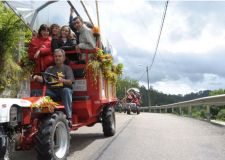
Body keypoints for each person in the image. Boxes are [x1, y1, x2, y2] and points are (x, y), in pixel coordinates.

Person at [33, 49, 75, 126]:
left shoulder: (67, 68)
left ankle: (69, 117)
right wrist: (36, 77)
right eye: (55, 56)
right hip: (52, 92)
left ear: (64, 58)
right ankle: (36, 116)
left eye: (59, 56)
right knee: (35, 92)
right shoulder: (50, 69)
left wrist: (63, 80)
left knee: (66, 90)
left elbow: (70, 82)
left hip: (63, 91)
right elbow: (44, 79)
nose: (57, 58)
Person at [28, 24, 54, 89]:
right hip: (37, 67)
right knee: (36, 88)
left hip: (49, 67)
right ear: (40, 31)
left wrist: (40, 50)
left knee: (49, 87)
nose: (46, 32)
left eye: (47, 31)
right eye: (44, 30)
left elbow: (52, 50)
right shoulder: (34, 40)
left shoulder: (51, 41)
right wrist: (40, 48)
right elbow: (31, 54)